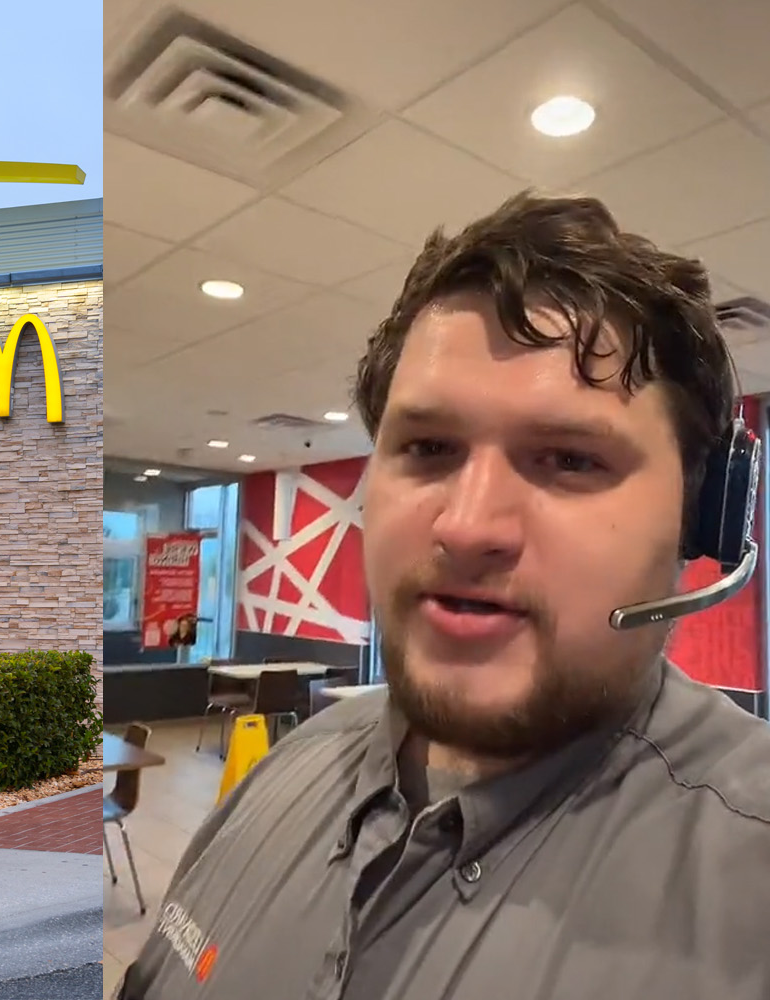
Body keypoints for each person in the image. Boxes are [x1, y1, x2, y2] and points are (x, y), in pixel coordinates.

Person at [118, 193, 770, 998]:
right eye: (428, 448)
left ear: (700, 519)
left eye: (568, 459)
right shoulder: (282, 772)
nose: (465, 527)